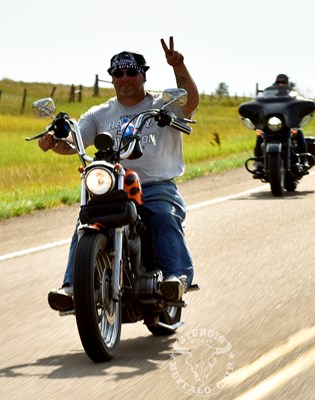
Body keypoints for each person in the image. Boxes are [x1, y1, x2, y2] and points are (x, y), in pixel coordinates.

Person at [38, 37, 199, 311]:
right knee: (84, 224)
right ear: (112, 78)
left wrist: (178, 65)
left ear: (143, 75)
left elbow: (190, 100)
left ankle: (176, 278)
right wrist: (54, 141)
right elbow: (76, 142)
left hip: (155, 185)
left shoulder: (162, 104)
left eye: (131, 71)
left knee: (162, 215)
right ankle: (72, 287)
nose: (125, 78)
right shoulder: (100, 112)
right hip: (112, 184)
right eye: (118, 73)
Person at [253, 73, 309, 174]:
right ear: (275, 83)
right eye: (279, 82)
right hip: (271, 125)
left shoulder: (292, 95)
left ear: (287, 83)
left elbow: (299, 105)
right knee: (259, 135)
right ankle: (258, 163)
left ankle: (303, 160)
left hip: (287, 125)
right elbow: (261, 105)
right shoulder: (269, 96)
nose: (281, 84)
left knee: (299, 133)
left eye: (283, 82)